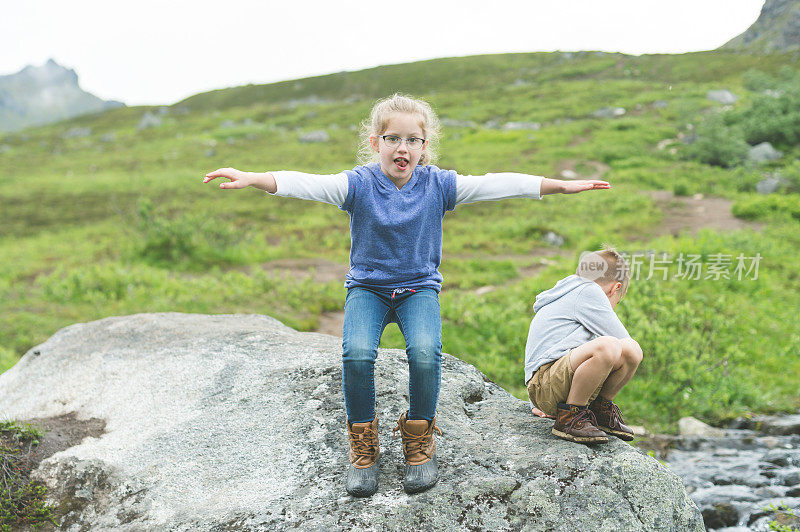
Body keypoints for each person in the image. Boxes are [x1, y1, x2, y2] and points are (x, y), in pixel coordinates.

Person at [204, 93, 610, 496]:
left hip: (418, 289)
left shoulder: (439, 184)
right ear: (375, 142)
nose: (403, 148)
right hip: (369, 289)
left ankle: (419, 442)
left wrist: (559, 186)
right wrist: (256, 178)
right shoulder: (358, 184)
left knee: (424, 352)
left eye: (413, 140)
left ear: (424, 146)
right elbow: (306, 183)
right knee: (357, 353)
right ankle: (363, 447)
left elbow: (497, 184)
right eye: (393, 139)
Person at [524, 247, 643, 444]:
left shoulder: (572, 293)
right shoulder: (588, 291)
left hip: (550, 386)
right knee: (612, 346)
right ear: (615, 288)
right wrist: (537, 401)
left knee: (631, 350)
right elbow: (622, 339)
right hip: (546, 385)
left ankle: (599, 410)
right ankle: (570, 418)